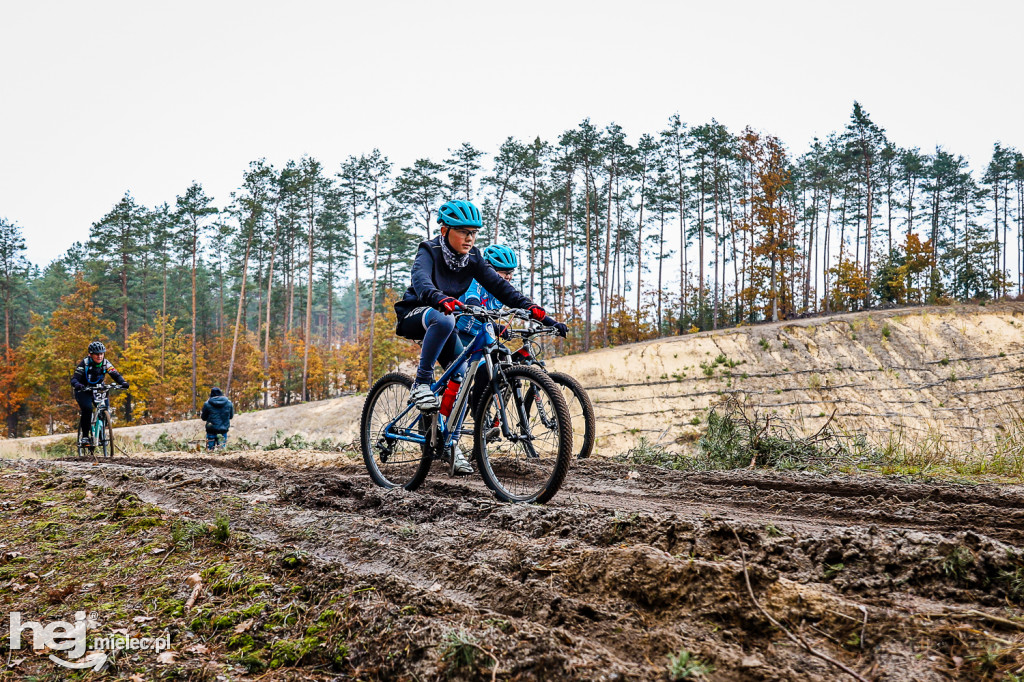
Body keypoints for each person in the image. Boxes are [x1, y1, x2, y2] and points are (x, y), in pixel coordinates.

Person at [394, 200, 567, 473]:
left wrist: (537, 312)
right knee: (443, 317)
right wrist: (440, 299)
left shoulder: (473, 257)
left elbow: (500, 287)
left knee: (462, 378)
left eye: (474, 232)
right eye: (463, 231)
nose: (470, 238)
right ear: (444, 230)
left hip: (448, 319)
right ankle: (421, 384)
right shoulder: (429, 250)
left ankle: (448, 444)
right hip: (419, 313)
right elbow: (421, 282)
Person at [70, 341, 129, 446]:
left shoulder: (106, 363)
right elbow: (74, 379)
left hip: (99, 390)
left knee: (105, 410)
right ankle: (85, 437)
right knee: (87, 409)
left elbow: (115, 374)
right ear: (90, 354)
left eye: (101, 353)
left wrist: (123, 382)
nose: (99, 356)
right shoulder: (85, 363)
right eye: (97, 354)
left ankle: (101, 434)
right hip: (84, 390)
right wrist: (78, 385)